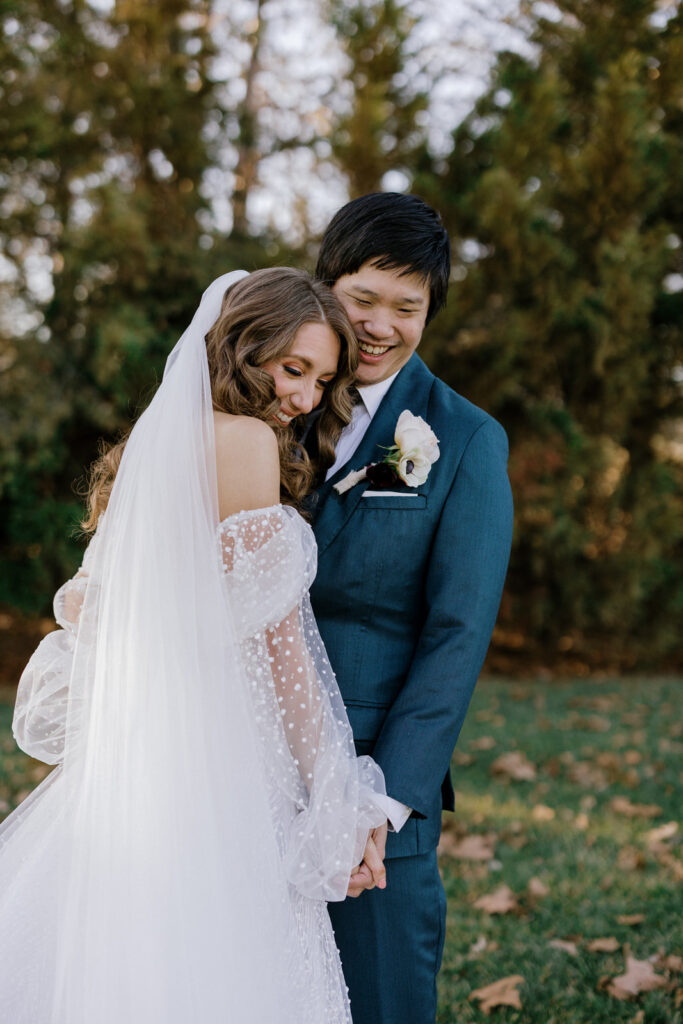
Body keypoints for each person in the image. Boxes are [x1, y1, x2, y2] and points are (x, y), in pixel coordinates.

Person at [0, 268, 394, 1024]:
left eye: (322, 378)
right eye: (292, 369)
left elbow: (85, 609)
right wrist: (335, 800)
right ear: (243, 352)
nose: (307, 398)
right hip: (226, 766)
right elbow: (284, 656)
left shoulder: (152, 449)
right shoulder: (245, 443)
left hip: (135, 763)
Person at [308, 192, 514, 1023]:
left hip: (372, 780)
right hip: (241, 764)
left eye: (407, 307)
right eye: (361, 298)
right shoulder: (269, 405)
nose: (379, 326)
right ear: (327, 286)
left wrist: (379, 801)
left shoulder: (462, 440)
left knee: (379, 1002)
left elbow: (455, 635)